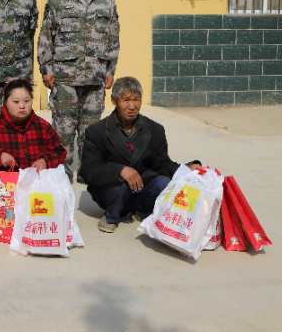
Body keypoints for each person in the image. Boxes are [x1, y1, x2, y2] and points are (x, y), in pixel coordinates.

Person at [37, 0, 120, 182]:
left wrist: (111, 70)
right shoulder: (58, 0)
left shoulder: (106, 0)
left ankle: (88, 171)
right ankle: (62, 173)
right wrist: (46, 69)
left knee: (91, 131)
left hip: (95, 77)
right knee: (63, 130)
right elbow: (46, 36)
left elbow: (113, 37)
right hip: (65, 78)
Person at [80, 77, 202, 233]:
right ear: (114, 101)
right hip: (113, 189)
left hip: (142, 187)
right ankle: (112, 216)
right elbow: (88, 170)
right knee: (120, 188)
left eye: (136, 100)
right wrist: (120, 170)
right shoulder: (97, 132)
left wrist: (186, 169)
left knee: (164, 183)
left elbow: (162, 163)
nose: (132, 106)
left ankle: (142, 209)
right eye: (126, 100)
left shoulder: (155, 129)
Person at [0, 78, 66, 171]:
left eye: (26, 101)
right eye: (16, 102)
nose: (22, 106)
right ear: (5, 102)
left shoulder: (43, 127)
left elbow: (59, 152)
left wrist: (45, 161)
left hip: (36, 179)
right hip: (5, 179)